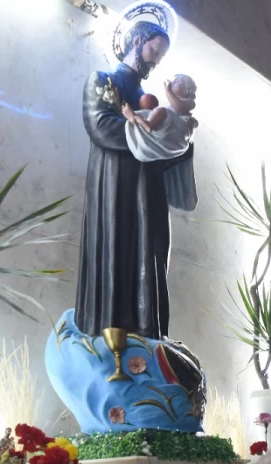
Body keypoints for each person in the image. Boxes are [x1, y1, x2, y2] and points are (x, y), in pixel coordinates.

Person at [76, 18, 197, 341]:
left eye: (161, 56)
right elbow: (101, 127)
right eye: (155, 51)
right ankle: (110, 336)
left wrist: (182, 140)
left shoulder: (152, 100)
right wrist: (150, 136)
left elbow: (165, 150)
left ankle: (148, 335)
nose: (156, 60)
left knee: (150, 256)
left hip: (149, 190)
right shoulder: (102, 81)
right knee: (118, 252)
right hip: (115, 186)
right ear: (136, 42)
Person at [122, 74, 199, 162]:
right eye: (172, 81)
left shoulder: (190, 102)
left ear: (188, 90)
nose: (172, 83)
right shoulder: (170, 107)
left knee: (162, 110)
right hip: (171, 130)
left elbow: (179, 107)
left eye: (177, 81)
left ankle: (148, 124)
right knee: (149, 113)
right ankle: (136, 119)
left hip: (181, 129)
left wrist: (168, 90)